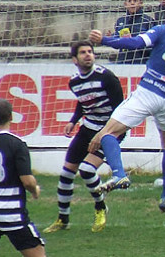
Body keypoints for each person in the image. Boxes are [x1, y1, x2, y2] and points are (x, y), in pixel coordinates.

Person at [86, 8, 165, 213]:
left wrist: (105, 40)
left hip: (148, 92)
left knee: (108, 133)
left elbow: (135, 43)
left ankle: (118, 174)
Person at [43, 41, 124, 234]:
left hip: (110, 131)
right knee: (66, 174)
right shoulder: (74, 82)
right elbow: (84, 102)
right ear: (74, 59)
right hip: (88, 128)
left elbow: (122, 111)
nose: (88, 55)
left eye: (90, 51)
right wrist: (73, 120)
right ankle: (63, 219)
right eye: (83, 52)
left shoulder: (106, 77)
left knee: (87, 170)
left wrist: (105, 134)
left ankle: (100, 207)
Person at [0, 99, 46, 257]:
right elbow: (27, 180)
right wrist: (35, 190)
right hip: (12, 214)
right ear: (11, 117)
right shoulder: (17, 144)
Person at [114, 0, 155, 64]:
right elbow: (115, 43)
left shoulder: (148, 20)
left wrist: (135, 41)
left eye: (135, 0)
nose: (132, 3)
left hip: (141, 62)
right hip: (123, 62)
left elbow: (152, 45)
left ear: (140, 3)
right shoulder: (120, 21)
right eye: (129, 1)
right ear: (125, 4)